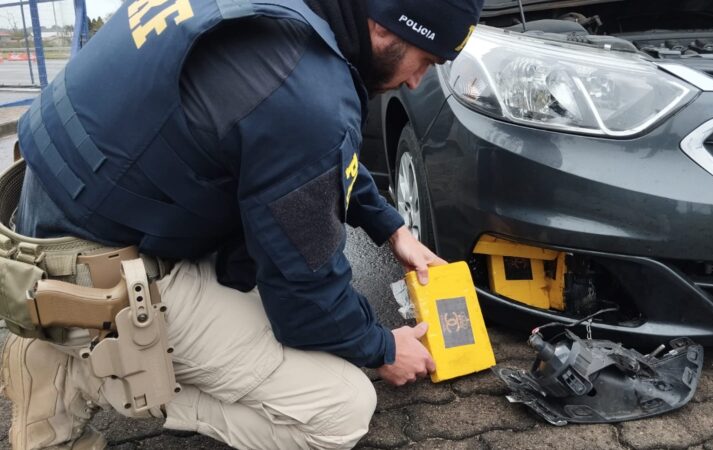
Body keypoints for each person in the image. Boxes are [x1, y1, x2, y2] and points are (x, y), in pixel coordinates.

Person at [0, 0, 483, 448]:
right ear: (382, 27)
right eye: (424, 59)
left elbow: (309, 159)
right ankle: (87, 376)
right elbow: (305, 297)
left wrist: (392, 229)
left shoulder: (280, 23)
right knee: (343, 406)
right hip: (88, 275)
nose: (418, 81)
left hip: (49, 215)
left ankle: (92, 349)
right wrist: (382, 349)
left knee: (309, 327)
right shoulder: (307, 91)